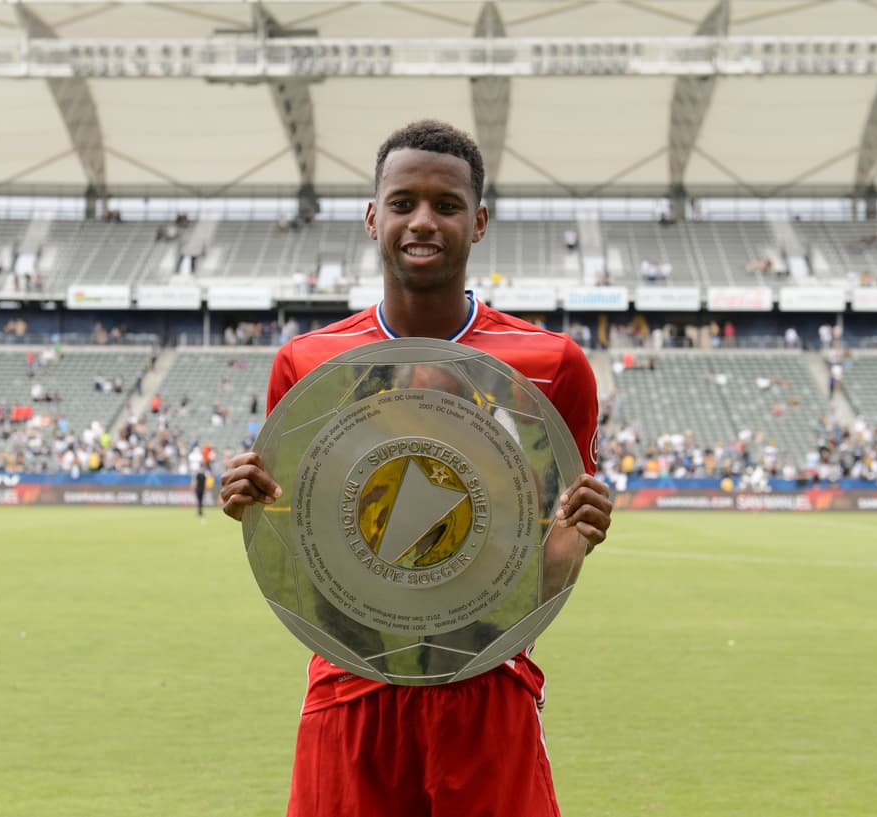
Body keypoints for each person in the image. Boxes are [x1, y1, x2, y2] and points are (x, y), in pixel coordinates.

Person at [219, 120, 613, 817]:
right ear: (373, 218)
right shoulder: (307, 365)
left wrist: (577, 538)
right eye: (403, 202)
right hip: (351, 685)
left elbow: (558, 538)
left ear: (480, 220)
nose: (423, 221)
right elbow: (302, 550)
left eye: (447, 203)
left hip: (488, 684)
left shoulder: (553, 368)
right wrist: (253, 504)